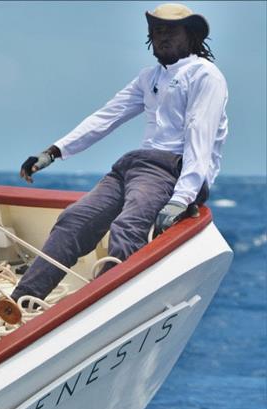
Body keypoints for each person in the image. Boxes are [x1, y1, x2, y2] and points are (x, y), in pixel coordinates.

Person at [12, 3, 227, 303]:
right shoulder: (148, 78)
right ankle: (21, 300)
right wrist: (55, 151)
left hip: (171, 170)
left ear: (190, 35)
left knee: (127, 228)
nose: (161, 36)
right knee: (73, 220)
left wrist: (182, 198)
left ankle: (102, 307)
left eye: (170, 30)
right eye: (156, 30)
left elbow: (199, 140)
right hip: (133, 165)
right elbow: (106, 117)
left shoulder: (205, 75)